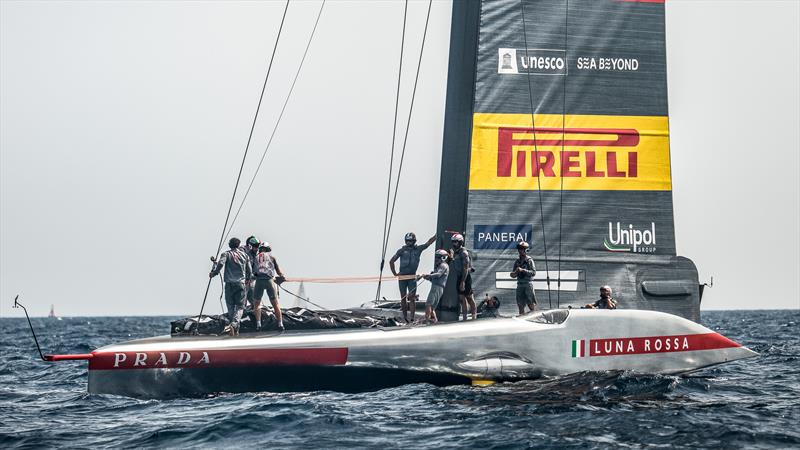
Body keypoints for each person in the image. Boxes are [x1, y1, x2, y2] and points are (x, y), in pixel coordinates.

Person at [389, 232, 436, 322]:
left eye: (410, 241)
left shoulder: (418, 249)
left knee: (412, 298)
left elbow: (428, 243)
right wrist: (395, 273)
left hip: (412, 278)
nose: (409, 243)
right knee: (403, 297)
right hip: (402, 277)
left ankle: (411, 318)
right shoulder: (401, 251)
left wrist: (436, 236)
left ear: (414, 241)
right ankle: (405, 317)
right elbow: (391, 261)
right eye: (407, 241)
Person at [209, 237, 252, 336]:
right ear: (238, 244)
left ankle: (233, 325)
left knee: (230, 305)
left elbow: (221, 263)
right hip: (241, 284)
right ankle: (234, 325)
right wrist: (248, 280)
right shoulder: (245, 255)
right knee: (240, 307)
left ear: (230, 244)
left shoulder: (226, 254)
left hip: (229, 284)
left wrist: (214, 273)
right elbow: (249, 270)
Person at [253, 241, 286, 331]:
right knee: (275, 304)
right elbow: (279, 271)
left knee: (257, 304)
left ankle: (258, 325)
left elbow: (254, 272)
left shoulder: (255, 257)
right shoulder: (272, 257)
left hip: (259, 281)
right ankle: (280, 324)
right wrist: (282, 277)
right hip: (269, 281)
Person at [450, 233, 476, 320]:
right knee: (461, 298)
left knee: (469, 297)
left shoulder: (464, 253)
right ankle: (464, 318)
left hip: (465, 277)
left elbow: (465, 268)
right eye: (453, 242)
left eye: (456, 242)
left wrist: (463, 282)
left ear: (460, 242)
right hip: (459, 276)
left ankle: (473, 317)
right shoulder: (454, 252)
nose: (454, 244)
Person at [420, 249, 449, 323]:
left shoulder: (443, 265)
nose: (436, 259)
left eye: (438, 257)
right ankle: (435, 321)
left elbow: (439, 274)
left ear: (443, 257)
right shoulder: (439, 266)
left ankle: (427, 320)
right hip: (437, 287)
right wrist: (427, 277)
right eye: (436, 257)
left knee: (428, 304)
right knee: (432, 307)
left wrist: (429, 275)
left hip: (437, 287)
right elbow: (434, 278)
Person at [510, 240, 536, 315]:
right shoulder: (517, 261)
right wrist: (516, 272)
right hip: (520, 285)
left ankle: (534, 318)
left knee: (531, 304)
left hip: (528, 284)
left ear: (525, 250)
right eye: (519, 249)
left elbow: (533, 272)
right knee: (520, 305)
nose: (520, 251)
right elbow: (513, 275)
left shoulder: (529, 260)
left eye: (521, 249)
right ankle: (521, 319)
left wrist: (523, 270)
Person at [244, 236, 260, 308]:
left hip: (252, 281)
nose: (257, 248)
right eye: (255, 246)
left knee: (254, 302)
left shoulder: (256, 255)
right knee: (242, 301)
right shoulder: (245, 254)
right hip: (245, 281)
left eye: (258, 246)